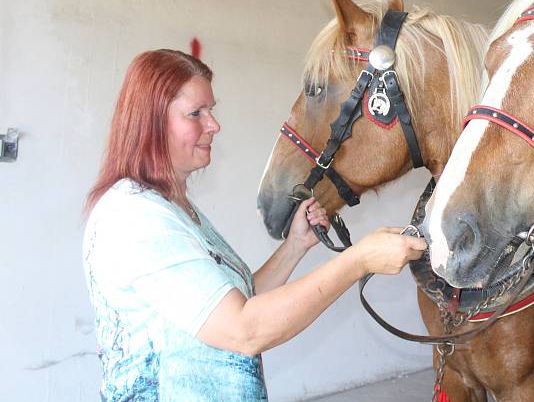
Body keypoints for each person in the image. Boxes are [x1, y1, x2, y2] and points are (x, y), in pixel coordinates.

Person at [82, 49, 427, 401]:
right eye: (195, 113)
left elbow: (236, 300)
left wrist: (294, 246)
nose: (214, 125)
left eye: (211, 111)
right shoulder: (136, 218)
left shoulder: (172, 208)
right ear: (151, 123)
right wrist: (359, 260)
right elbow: (243, 329)